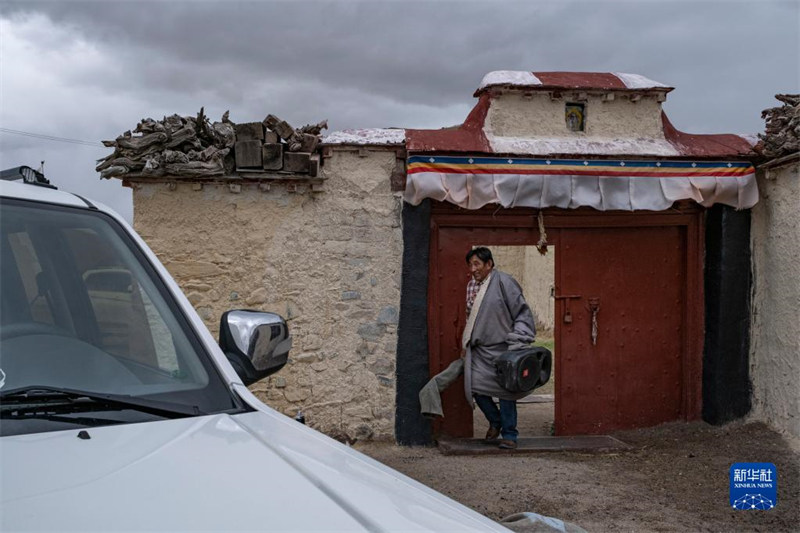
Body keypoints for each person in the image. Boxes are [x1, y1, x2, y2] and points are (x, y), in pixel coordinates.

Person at [461, 247, 536, 450]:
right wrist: (466, 342)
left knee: (506, 392)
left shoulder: (504, 282)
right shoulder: (471, 286)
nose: (473, 268)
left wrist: (519, 338)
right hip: (480, 350)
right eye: (470, 264)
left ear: (489, 264)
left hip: (504, 349)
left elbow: (521, 312)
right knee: (475, 387)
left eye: (477, 264)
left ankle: (510, 434)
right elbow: (471, 318)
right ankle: (495, 421)